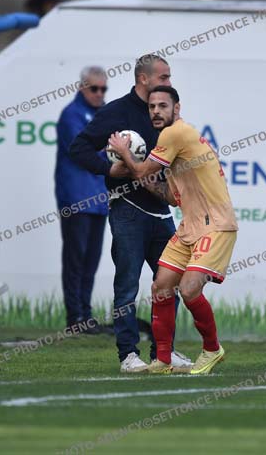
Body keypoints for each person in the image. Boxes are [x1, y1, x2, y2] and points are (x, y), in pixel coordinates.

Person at [70, 54, 191, 373]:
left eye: (169, 77)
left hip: (161, 211)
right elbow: (79, 148)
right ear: (143, 79)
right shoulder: (116, 112)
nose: (168, 82)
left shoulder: (165, 113)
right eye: (163, 77)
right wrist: (109, 168)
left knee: (170, 283)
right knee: (127, 285)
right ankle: (128, 355)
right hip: (127, 209)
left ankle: (164, 352)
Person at [108, 85, 237, 374]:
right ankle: (163, 359)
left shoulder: (174, 133)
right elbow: (169, 196)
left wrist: (123, 152)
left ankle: (212, 349)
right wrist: (137, 171)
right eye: (152, 106)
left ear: (176, 108)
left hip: (215, 225)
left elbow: (141, 171)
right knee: (161, 287)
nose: (156, 111)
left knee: (189, 289)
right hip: (190, 226)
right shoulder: (174, 142)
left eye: (162, 106)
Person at [55, 67, 109, 333]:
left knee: (91, 260)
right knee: (75, 259)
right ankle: (74, 316)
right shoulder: (71, 115)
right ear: (82, 87)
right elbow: (82, 152)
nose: (99, 94)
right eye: (94, 88)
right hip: (76, 197)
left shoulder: (105, 114)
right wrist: (113, 150)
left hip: (100, 199)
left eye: (103, 89)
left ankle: (85, 315)